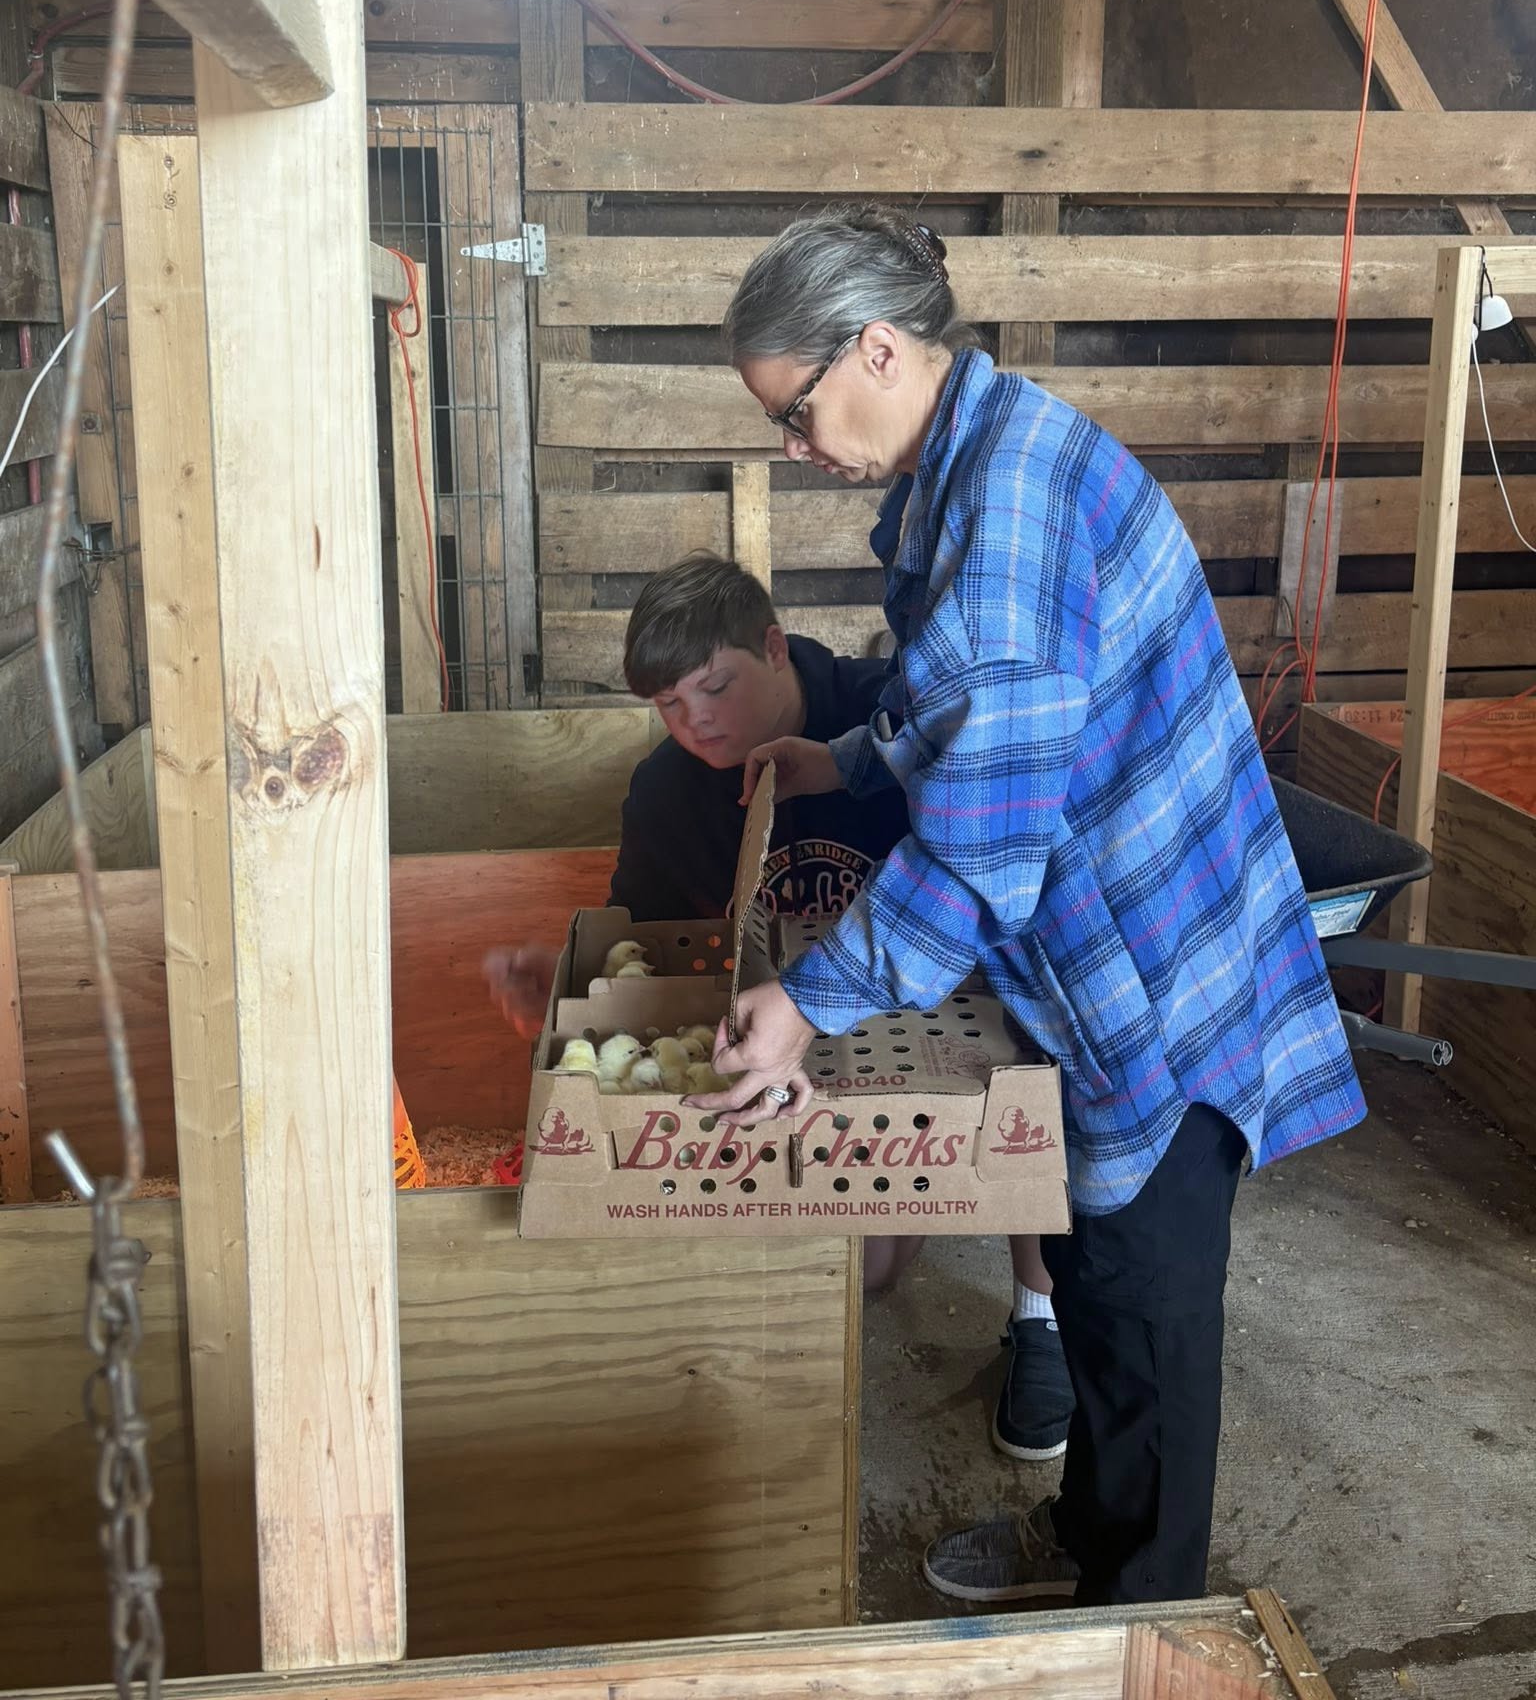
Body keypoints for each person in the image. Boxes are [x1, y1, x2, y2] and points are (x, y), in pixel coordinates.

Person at [693, 206, 1366, 1607]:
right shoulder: (976, 458)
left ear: (878, 348)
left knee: (1147, 1310)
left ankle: (1141, 1616)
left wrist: (810, 1001)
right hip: (1108, 940)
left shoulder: (1008, 517)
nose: (795, 450)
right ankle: (1090, 1540)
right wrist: (853, 751)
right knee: (1096, 1264)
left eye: (799, 413)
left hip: (1159, 961)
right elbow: (982, 709)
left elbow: (984, 859)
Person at [486, 551, 1079, 1457]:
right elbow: (654, 937)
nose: (696, 723)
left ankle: (1039, 1315)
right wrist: (583, 989)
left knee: (1036, 1073)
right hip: (793, 1040)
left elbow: (996, 853)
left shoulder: (889, 716)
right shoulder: (668, 791)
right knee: (870, 1271)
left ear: (773, 649)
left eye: (715, 687)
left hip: (944, 1001)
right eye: (669, 706)